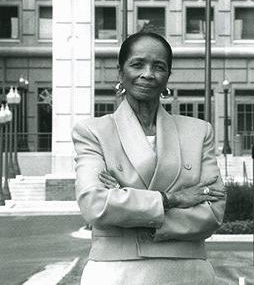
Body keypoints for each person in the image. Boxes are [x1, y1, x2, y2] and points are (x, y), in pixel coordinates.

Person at [72, 31, 226, 285]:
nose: (148, 74)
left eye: (159, 67)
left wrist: (126, 202)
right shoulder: (93, 132)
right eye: (137, 64)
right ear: (120, 72)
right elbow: (95, 204)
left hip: (189, 273)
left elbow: (213, 212)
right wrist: (173, 198)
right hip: (116, 273)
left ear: (168, 76)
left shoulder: (199, 132)